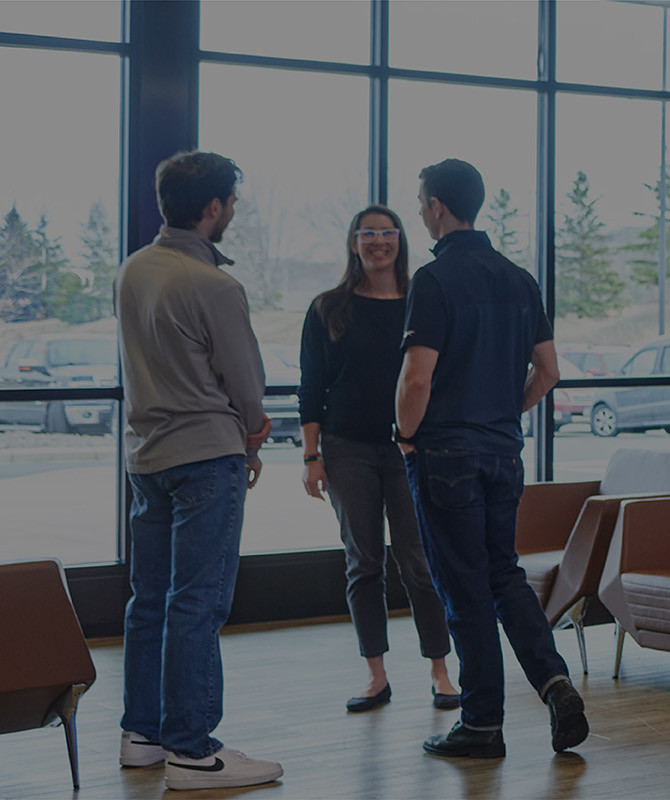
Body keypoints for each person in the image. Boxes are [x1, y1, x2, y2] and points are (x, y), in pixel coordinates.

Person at [394, 158, 586, 759]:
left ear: (436, 207)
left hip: (445, 452)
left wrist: (405, 435)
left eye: (422, 201)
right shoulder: (517, 278)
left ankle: (481, 724)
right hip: (504, 453)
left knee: (464, 589)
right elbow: (549, 371)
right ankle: (555, 683)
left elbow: (416, 379)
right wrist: (506, 410)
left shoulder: (434, 279)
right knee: (504, 574)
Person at [114, 150, 285, 791]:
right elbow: (246, 387)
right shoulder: (215, 285)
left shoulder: (133, 270)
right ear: (213, 208)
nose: (233, 212)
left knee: (150, 600)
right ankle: (193, 751)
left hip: (146, 455)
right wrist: (252, 438)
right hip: (206, 454)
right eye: (232, 203)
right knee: (198, 604)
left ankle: (144, 735)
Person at [299, 204, 462, 714]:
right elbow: (312, 387)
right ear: (353, 242)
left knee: (419, 561)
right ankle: (375, 676)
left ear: (400, 241)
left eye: (386, 233)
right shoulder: (329, 307)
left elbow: (438, 376)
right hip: (345, 449)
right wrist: (310, 455)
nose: (377, 242)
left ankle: (441, 671)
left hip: (408, 447)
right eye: (367, 233)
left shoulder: (422, 300)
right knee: (363, 561)